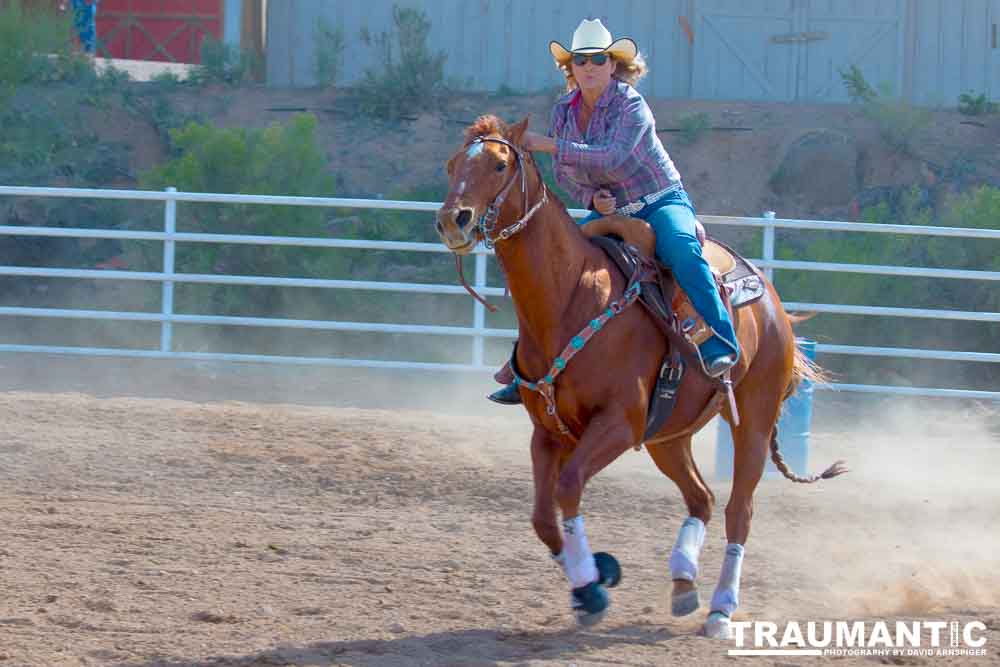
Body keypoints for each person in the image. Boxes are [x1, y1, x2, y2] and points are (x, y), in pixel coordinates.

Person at [489, 18, 739, 405]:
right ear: (570, 68)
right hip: (613, 208)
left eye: (598, 59)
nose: (589, 66)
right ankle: (526, 366)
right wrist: (590, 198)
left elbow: (615, 156)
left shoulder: (630, 104)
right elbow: (564, 174)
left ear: (613, 65)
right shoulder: (564, 110)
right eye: (581, 60)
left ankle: (721, 340)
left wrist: (549, 143)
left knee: (681, 249)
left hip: (661, 200)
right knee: (556, 266)